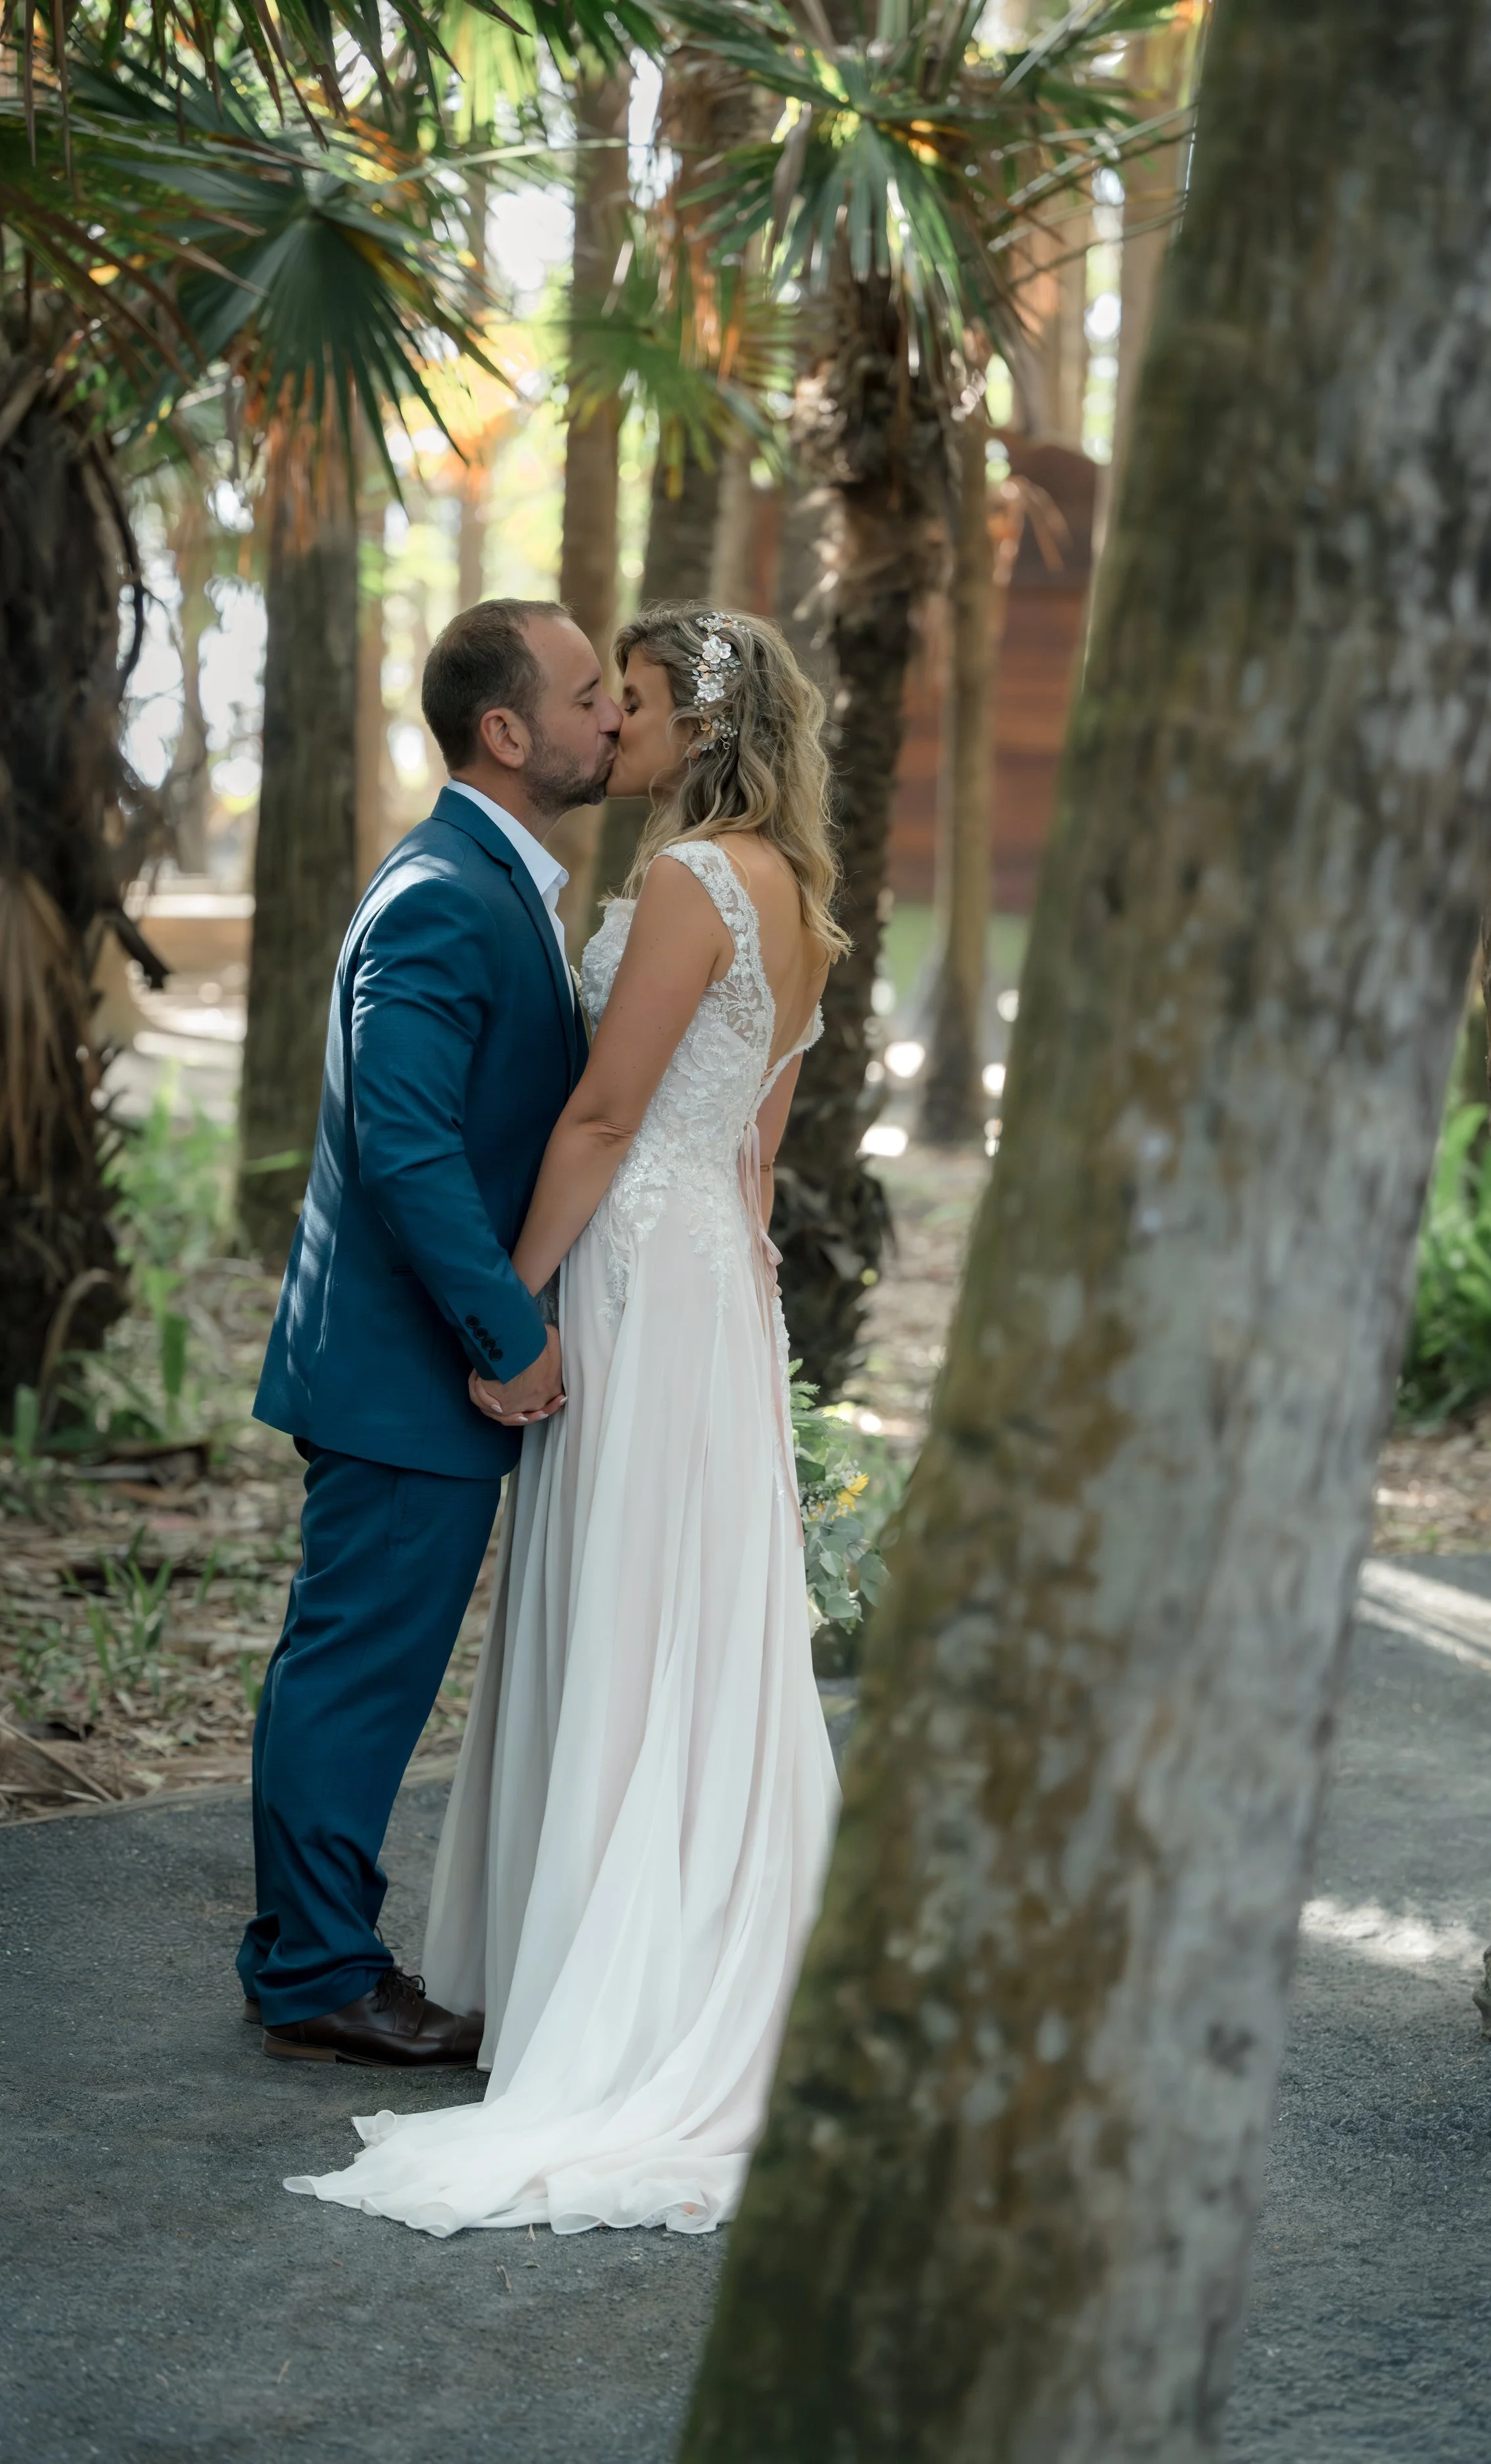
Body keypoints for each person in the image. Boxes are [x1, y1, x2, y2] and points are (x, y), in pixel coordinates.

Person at [284, 603, 846, 2235]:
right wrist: (736, 1324)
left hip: (625, 1282)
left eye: (642, 700)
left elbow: (604, 1114)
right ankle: (652, 1945)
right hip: (710, 1293)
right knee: (686, 1622)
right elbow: (749, 1156)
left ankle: (610, 1982)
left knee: (620, 1608)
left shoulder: (682, 883)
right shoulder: (794, 898)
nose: (619, 724)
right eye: (602, 698)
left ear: (703, 727)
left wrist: (519, 1308)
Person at [239, 601, 620, 2067]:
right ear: (505, 732)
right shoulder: (443, 896)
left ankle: (297, 1952)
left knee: (350, 1665)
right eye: (587, 696)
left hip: (408, 1369)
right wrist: (505, 1327)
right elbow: (401, 1144)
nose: (609, 719)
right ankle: (323, 1973)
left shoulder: (490, 879)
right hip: (408, 1372)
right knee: (355, 1672)